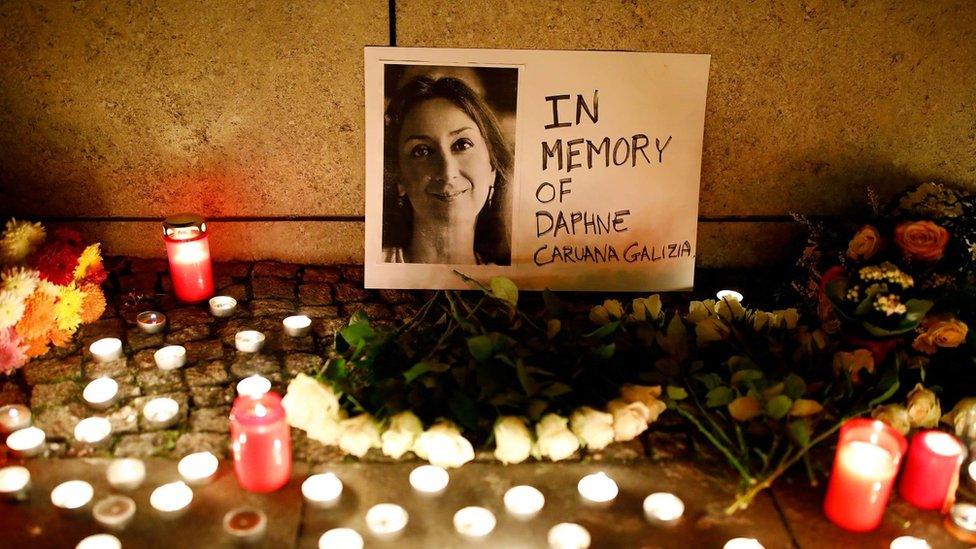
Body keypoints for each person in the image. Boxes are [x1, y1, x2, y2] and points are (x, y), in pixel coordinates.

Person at [382, 75, 513, 265]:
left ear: (492, 165)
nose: (447, 171)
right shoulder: (367, 267)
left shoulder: (514, 284)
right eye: (422, 151)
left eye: (462, 144)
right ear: (399, 176)